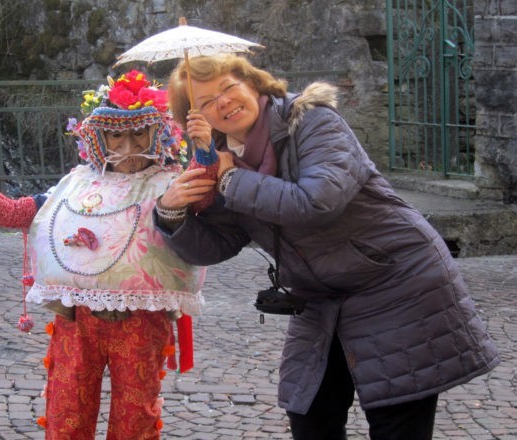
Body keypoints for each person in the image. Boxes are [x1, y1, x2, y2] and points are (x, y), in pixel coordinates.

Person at [154, 54, 500, 440]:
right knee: (310, 418)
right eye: (204, 101)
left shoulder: (313, 121)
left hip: (396, 280)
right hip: (319, 296)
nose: (223, 102)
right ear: (194, 117)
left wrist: (232, 180)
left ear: (253, 84)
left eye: (228, 87)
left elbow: (317, 201)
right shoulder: (219, 157)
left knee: (396, 423)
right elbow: (218, 245)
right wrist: (172, 212)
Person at [0, 70, 206, 440]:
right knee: (66, 415)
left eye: (138, 134)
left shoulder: (169, 182)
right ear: (99, 137)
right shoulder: (75, 185)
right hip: (77, 320)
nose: (127, 149)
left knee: (135, 421)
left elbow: (205, 191)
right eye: (116, 135)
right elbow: (15, 213)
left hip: (142, 322)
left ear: (156, 132)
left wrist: (205, 148)